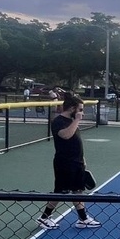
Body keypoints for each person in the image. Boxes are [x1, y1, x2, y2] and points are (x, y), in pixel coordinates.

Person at [36, 92, 100, 230]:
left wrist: (82, 158)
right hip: (64, 163)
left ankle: (83, 219)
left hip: (77, 162)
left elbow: (76, 141)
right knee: (60, 191)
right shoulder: (59, 121)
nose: (82, 113)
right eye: (80, 110)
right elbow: (65, 136)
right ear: (72, 109)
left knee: (78, 190)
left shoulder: (71, 121)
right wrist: (77, 120)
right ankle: (44, 218)